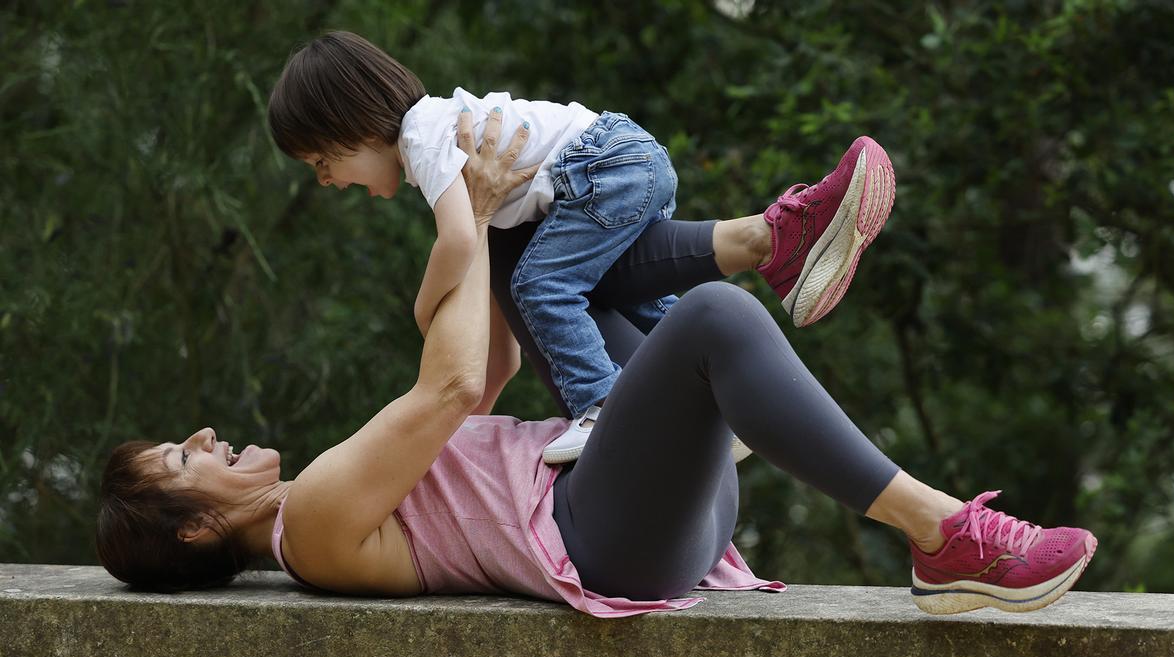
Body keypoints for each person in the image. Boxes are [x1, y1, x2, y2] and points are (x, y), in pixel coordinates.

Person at [97, 111, 1097, 617]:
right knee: (708, 320)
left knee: (541, 251)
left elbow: (478, 386)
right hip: (611, 535)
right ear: (200, 524)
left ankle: (771, 235)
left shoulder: (322, 500)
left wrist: (491, 229)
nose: (202, 437)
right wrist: (467, 215)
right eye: (182, 460)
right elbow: (445, 386)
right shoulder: (310, 520)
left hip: (636, 504)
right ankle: (946, 536)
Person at [265, 30, 895, 463]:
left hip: (603, 168)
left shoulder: (422, 137)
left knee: (541, 286)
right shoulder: (438, 131)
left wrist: (424, 308)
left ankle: (601, 407)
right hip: (624, 159)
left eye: (322, 160)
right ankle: (751, 333)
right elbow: (500, 353)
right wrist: (450, 432)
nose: (325, 181)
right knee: (634, 301)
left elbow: (460, 239)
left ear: (351, 122)